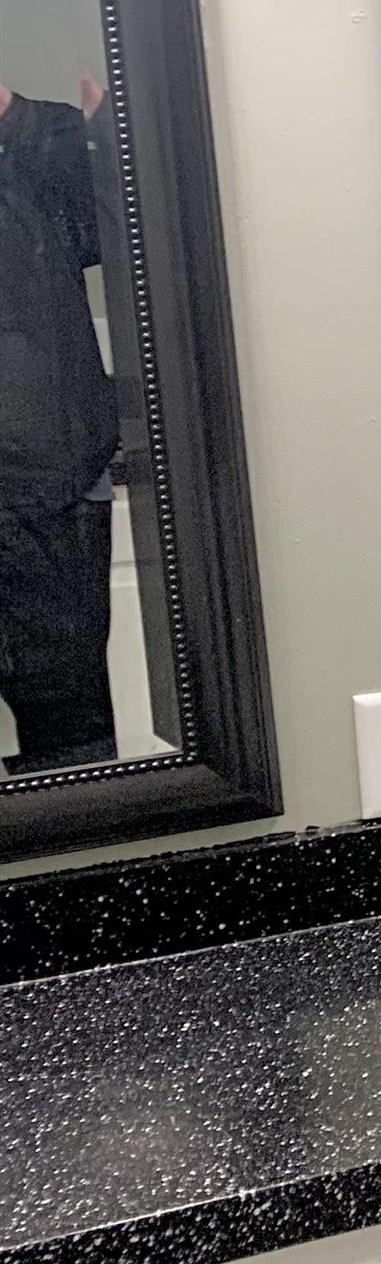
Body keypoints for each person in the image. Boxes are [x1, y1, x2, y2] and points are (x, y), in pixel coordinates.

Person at [0, 63, 120, 772]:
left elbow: (115, 231)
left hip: (50, 483)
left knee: (72, 741)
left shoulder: (48, 146)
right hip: (50, 473)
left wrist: (105, 138)